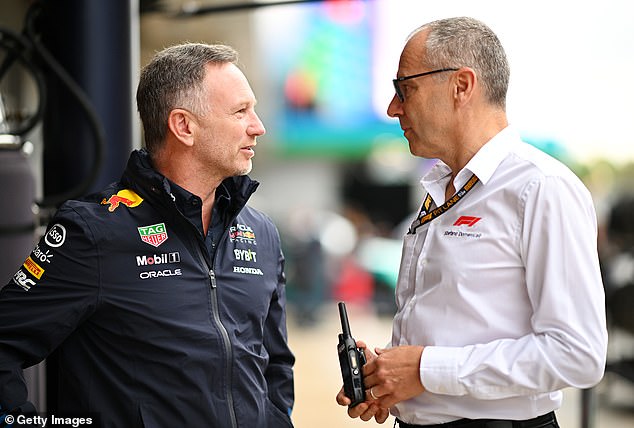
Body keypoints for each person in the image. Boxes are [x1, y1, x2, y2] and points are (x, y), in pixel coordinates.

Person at [0, 43, 295, 428]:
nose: (258, 126)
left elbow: (274, 368)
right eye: (241, 112)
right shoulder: (94, 233)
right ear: (184, 126)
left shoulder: (261, 233)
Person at [336, 17, 607, 428]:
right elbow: (453, 327)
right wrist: (390, 374)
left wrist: (425, 369)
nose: (394, 108)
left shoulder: (541, 187)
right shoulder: (442, 191)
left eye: (404, 89)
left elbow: (578, 354)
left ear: (461, 86)